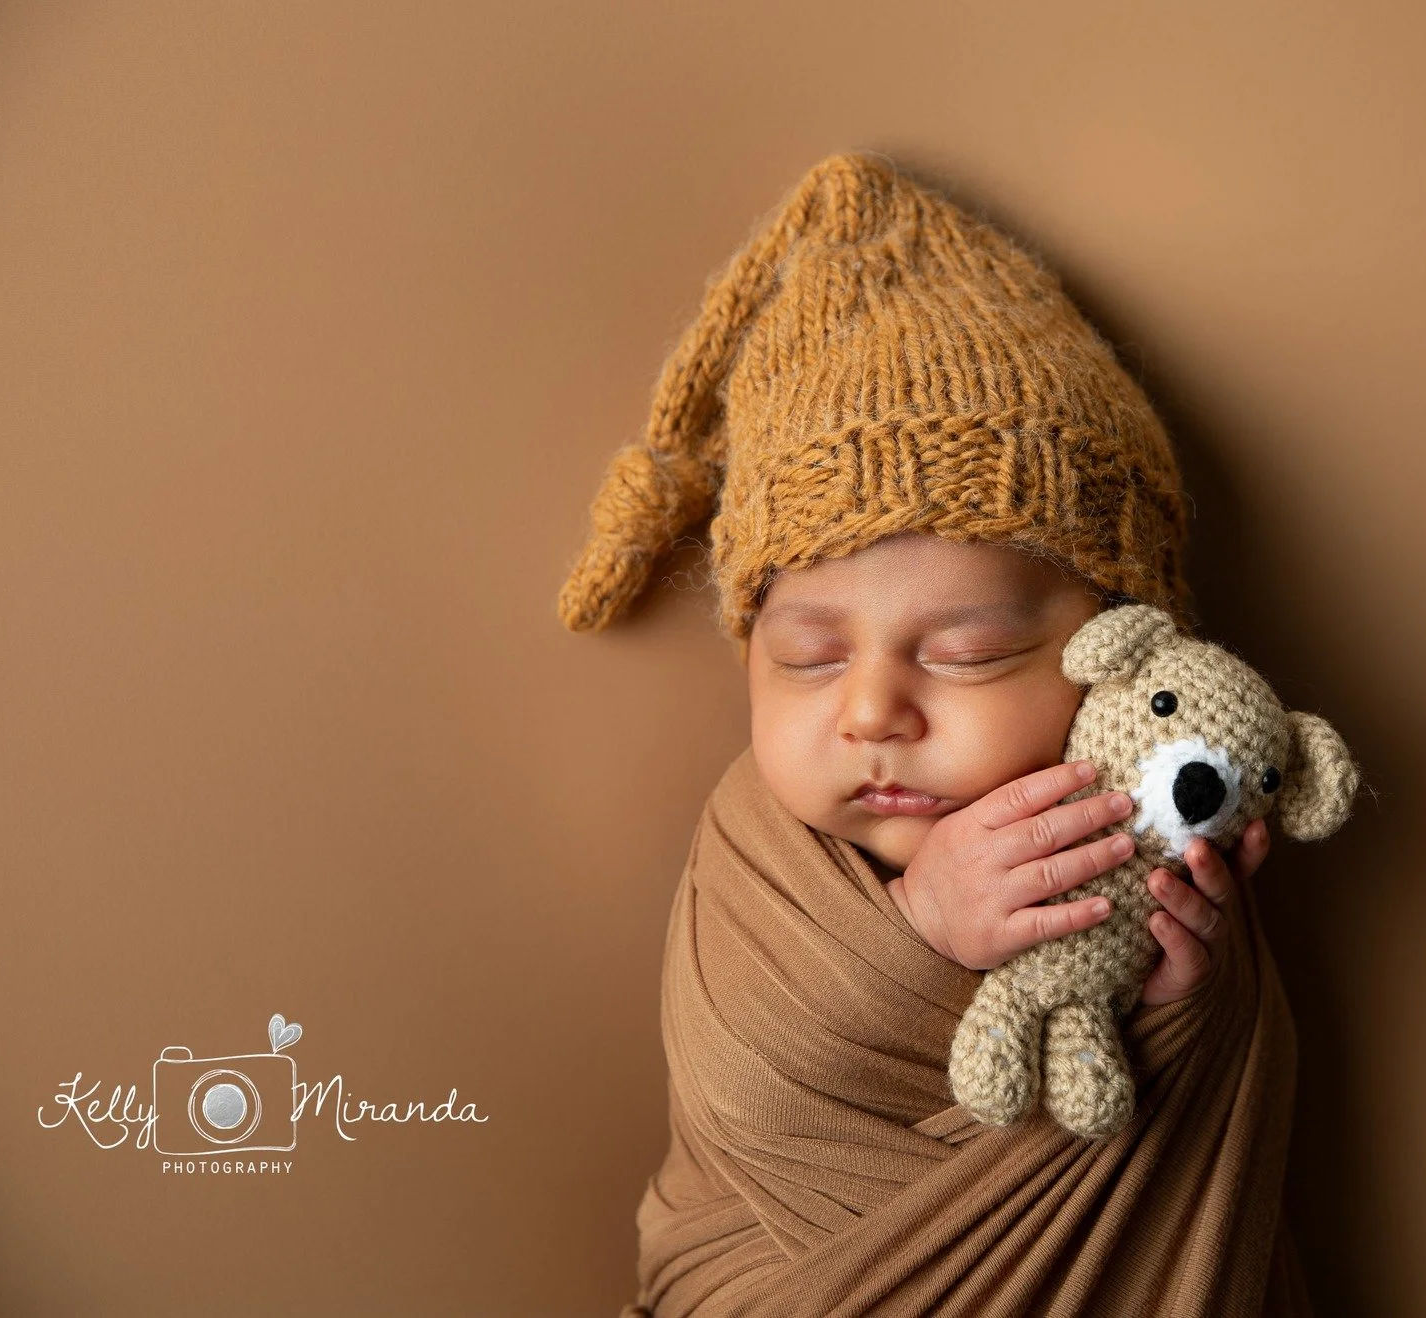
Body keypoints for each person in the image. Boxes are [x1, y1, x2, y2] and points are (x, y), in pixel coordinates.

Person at [559, 152, 1313, 1316]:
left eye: (965, 654)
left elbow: (1199, 1144)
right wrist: (920, 926)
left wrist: (1182, 1007)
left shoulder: (1156, 834)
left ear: (1118, 650)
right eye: (807, 656)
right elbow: (745, 1081)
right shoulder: (750, 854)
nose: (869, 712)